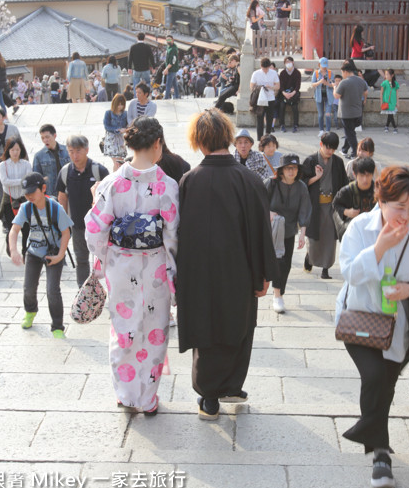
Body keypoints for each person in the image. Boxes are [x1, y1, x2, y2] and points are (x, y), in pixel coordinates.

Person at [336, 166, 409, 488]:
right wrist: (379, 246)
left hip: (400, 327)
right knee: (375, 376)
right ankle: (381, 454)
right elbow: (349, 273)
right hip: (360, 319)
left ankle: (371, 433)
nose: (406, 215)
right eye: (399, 206)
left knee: (386, 386)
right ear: (381, 200)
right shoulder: (359, 229)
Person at [176, 108, 274, 420]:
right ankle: (230, 384)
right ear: (228, 138)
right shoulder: (249, 180)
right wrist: (264, 275)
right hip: (240, 273)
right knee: (239, 326)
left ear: (199, 141)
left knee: (206, 330)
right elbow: (262, 231)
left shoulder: (189, 181)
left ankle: (209, 397)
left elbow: (179, 235)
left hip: (199, 274)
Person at [85, 117, 179, 414]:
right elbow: (173, 236)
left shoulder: (112, 184)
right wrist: (174, 276)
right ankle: (148, 399)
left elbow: (94, 229)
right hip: (156, 271)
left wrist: (104, 260)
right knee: (155, 333)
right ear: (157, 144)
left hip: (120, 269)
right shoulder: (168, 186)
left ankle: (125, 394)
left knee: (123, 330)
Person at [9, 172, 73, 339]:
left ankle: (57, 326)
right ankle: (30, 311)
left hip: (53, 253)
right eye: (26, 193)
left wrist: (60, 256)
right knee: (28, 288)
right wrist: (14, 250)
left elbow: (66, 233)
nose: (29, 196)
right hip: (34, 252)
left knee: (52, 290)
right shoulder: (26, 207)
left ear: (43, 189)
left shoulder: (55, 208)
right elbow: (14, 229)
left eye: (32, 192)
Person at [57, 135, 109, 287]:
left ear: (87, 150)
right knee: (81, 260)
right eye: (71, 151)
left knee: (104, 259)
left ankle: (107, 290)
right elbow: (62, 197)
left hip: (99, 226)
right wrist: (64, 223)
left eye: (78, 151)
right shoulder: (66, 172)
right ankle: (83, 291)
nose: (75, 155)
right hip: (78, 225)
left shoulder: (98, 170)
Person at [264, 154, 311, 313]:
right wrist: (268, 213)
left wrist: (302, 233)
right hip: (272, 230)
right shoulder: (271, 183)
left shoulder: (301, 187)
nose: (292, 171)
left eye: (295, 168)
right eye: (288, 168)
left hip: (290, 230)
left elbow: (305, 209)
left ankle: (279, 293)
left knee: (286, 264)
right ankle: (277, 295)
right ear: (281, 171)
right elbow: (258, 202)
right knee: (278, 262)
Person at [302, 131, 348, 279]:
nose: (330, 152)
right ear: (321, 145)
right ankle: (310, 257)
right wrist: (316, 177)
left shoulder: (338, 162)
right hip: (314, 205)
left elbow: (344, 184)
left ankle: (325, 269)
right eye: (328, 148)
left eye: (333, 149)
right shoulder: (310, 161)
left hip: (331, 206)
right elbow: (302, 183)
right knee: (314, 238)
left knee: (329, 238)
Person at [0, 138, 32, 255]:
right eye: (13, 150)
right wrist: (22, 181)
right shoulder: (3, 165)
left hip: (24, 200)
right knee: (11, 226)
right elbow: (5, 181)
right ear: (8, 151)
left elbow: (29, 180)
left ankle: (25, 251)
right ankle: (11, 249)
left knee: (26, 228)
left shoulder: (26, 164)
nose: (15, 152)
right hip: (9, 200)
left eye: (17, 149)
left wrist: (20, 181)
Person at [332, 157, 376, 240]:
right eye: (362, 175)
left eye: (368, 175)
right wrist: (347, 212)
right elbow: (335, 204)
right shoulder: (347, 191)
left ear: (372, 174)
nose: (365, 179)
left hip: (373, 234)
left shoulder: (379, 191)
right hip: (353, 235)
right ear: (355, 175)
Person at [334, 60, 368, 159]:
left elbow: (336, 96)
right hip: (358, 112)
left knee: (350, 134)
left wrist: (334, 87)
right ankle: (344, 149)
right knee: (350, 132)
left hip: (347, 114)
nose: (342, 74)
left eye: (342, 72)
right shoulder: (361, 80)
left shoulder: (344, 82)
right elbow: (366, 92)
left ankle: (355, 152)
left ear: (345, 71)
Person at [32, 124, 70, 198]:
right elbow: (36, 179)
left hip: (68, 191)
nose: (45, 140)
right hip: (51, 195)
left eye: (47, 137)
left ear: (54, 136)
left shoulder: (67, 151)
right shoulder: (39, 156)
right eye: (42, 138)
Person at [250, 58, 280, 141]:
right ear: (261, 66)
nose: (265, 70)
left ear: (269, 66)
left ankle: (268, 136)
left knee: (270, 118)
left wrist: (271, 87)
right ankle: (259, 138)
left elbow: (278, 86)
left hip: (270, 97)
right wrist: (260, 88)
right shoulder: (256, 73)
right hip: (260, 98)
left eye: (267, 68)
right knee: (259, 118)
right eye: (264, 69)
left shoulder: (274, 73)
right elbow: (251, 86)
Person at [103, 93, 128, 171]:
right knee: (117, 163)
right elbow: (107, 126)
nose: (120, 106)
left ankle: (116, 179)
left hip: (120, 140)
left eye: (122, 104)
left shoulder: (125, 114)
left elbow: (129, 124)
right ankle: (115, 180)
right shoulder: (108, 113)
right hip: (111, 140)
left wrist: (125, 129)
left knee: (120, 163)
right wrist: (118, 130)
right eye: (118, 104)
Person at [311, 57, 334, 137]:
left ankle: (327, 130)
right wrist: (320, 82)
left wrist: (328, 84)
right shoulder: (316, 73)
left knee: (328, 114)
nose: (324, 67)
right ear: (319, 65)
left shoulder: (330, 73)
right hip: (319, 96)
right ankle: (321, 130)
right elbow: (313, 84)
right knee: (320, 114)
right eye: (322, 65)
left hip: (328, 96)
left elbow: (334, 85)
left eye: (325, 65)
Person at [278, 56, 301, 133]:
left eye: (289, 62)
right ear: (284, 64)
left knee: (295, 107)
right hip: (284, 94)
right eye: (286, 62)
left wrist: (292, 94)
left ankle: (295, 125)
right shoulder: (282, 73)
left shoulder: (297, 73)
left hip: (294, 93)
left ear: (293, 62)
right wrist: (285, 93)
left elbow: (298, 86)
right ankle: (282, 125)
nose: (288, 63)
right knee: (281, 106)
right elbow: (281, 86)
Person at [380, 69, 400, 134]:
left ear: (392, 75)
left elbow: (397, 94)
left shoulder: (396, 83)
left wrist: (397, 102)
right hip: (386, 101)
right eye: (385, 74)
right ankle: (395, 127)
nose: (386, 76)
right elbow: (381, 93)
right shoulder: (384, 83)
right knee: (390, 114)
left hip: (393, 101)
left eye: (387, 74)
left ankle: (387, 126)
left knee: (390, 114)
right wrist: (381, 102)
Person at [163, 35, 180, 100]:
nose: (168, 41)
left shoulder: (173, 49)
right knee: (174, 83)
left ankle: (166, 97)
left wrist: (166, 68)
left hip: (172, 69)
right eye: (167, 40)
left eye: (169, 39)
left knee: (168, 84)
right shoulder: (168, 47)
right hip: (170, 68)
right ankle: (177, 96)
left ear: (172, 40)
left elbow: (173, 61)